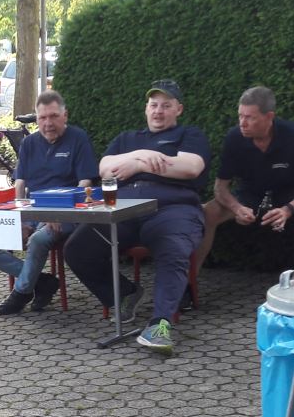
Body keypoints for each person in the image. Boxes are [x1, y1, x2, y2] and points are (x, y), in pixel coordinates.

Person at [63, 79, 210, 355]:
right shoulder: (127, 139)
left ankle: (160, 324)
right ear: (146, 108)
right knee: (77, 249)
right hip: (124, 210)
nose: (158, 111)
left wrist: (138, 166)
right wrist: (142, 155)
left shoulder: (189, 135)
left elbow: (190, 167)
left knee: (173, 249)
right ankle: (125, 293)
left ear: (178, 109)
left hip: (171, 209)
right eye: (154, 105)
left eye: (166, 106)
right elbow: (105, 168)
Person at [0, 90, 97, 315]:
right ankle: (41, 281)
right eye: (42, 118)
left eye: (53, 116)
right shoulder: (29, 143)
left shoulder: (78, 138)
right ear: (37, 119)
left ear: (65, 115)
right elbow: (20, 184)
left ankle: (21, 292)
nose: (48, 123)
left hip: (66, 213)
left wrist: (58, 214)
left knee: (38, 239)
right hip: (31, 210)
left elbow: (84, 183)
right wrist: (19, 219)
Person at [195, 86, 294, 277]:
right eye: (240, 116)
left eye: (250, 117)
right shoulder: (234, 138)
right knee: (206, 212)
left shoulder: (293, 135)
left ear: (269, 117)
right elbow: (220, 187)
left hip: (291, 193)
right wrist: (236, 208)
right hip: (250, 194)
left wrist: (288, 209)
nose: (242, 123)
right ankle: (188, 282)